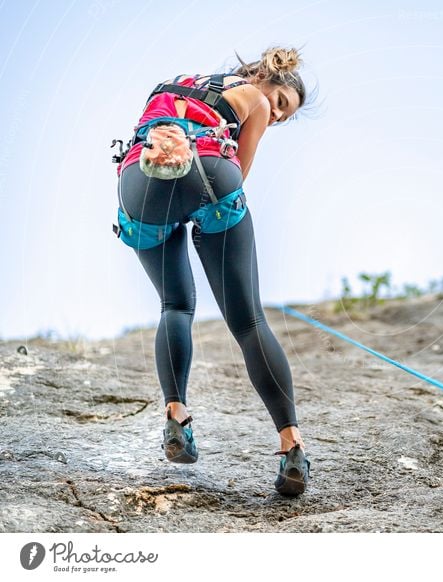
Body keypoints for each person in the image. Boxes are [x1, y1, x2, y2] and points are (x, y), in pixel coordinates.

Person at [112, 47, 313, 497]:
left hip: (139, 181)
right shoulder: (254, 100)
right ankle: (291, 445)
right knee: (248, 321)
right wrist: (210, 219)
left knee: (175, 304)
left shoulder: (177, 79)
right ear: (265, 77)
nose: (276, 116)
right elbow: (237, 174)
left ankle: (176, 417)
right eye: (281, 103)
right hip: (208, 169)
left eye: (283, 116)